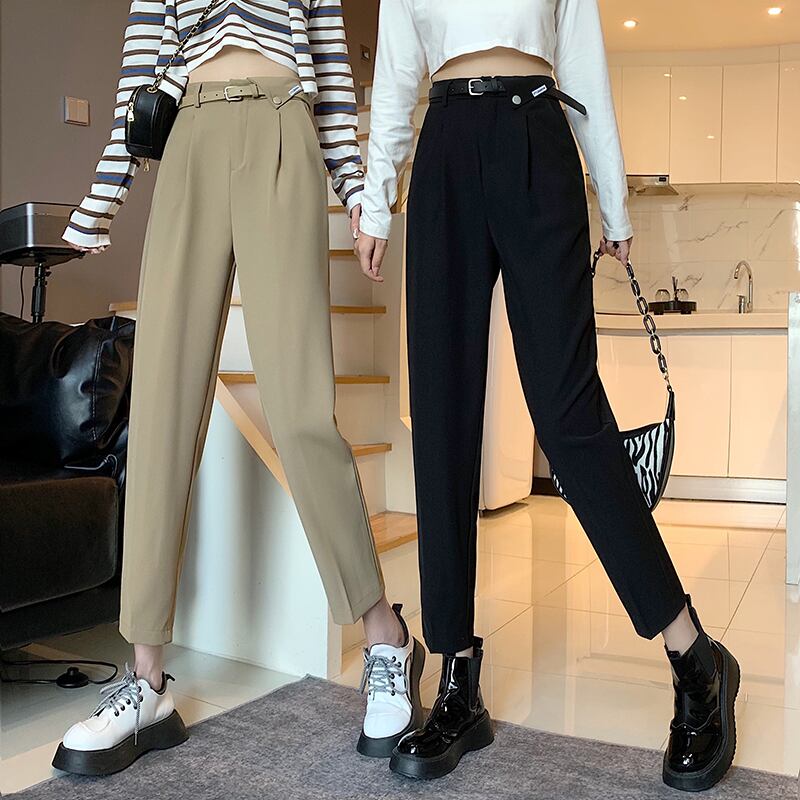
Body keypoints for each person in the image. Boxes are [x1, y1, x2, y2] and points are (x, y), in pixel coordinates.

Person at [356, 0, 740, 791]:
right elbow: (395, 72)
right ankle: (458, 680)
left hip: (537, 133)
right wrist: (376, 193)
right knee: (442, 420)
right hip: (444, 143)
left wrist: (614, 196)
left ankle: (694, 655)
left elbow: (584, 59)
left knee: (569, 417)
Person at [52, 0, 424, 776]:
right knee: (160, 408)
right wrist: (105, 193)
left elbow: (330, 75)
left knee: (299, 408)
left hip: (284, 127)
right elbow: (144, 70)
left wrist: (358, 190)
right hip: (189, 136)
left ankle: (386, 637)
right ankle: (146, 682)